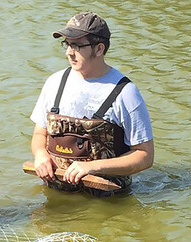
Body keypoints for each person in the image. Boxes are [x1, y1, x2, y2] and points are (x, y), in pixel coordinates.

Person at [29, 12, 154, 195]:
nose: (69, 52)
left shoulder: (125, 93)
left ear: (99, 49)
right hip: (57, 194)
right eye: (67, 44)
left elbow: (145, 155)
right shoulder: (54, 83)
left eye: (77, 45)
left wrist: (94, 167)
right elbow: (40, 134)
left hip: (108, 204)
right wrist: (40, 156)